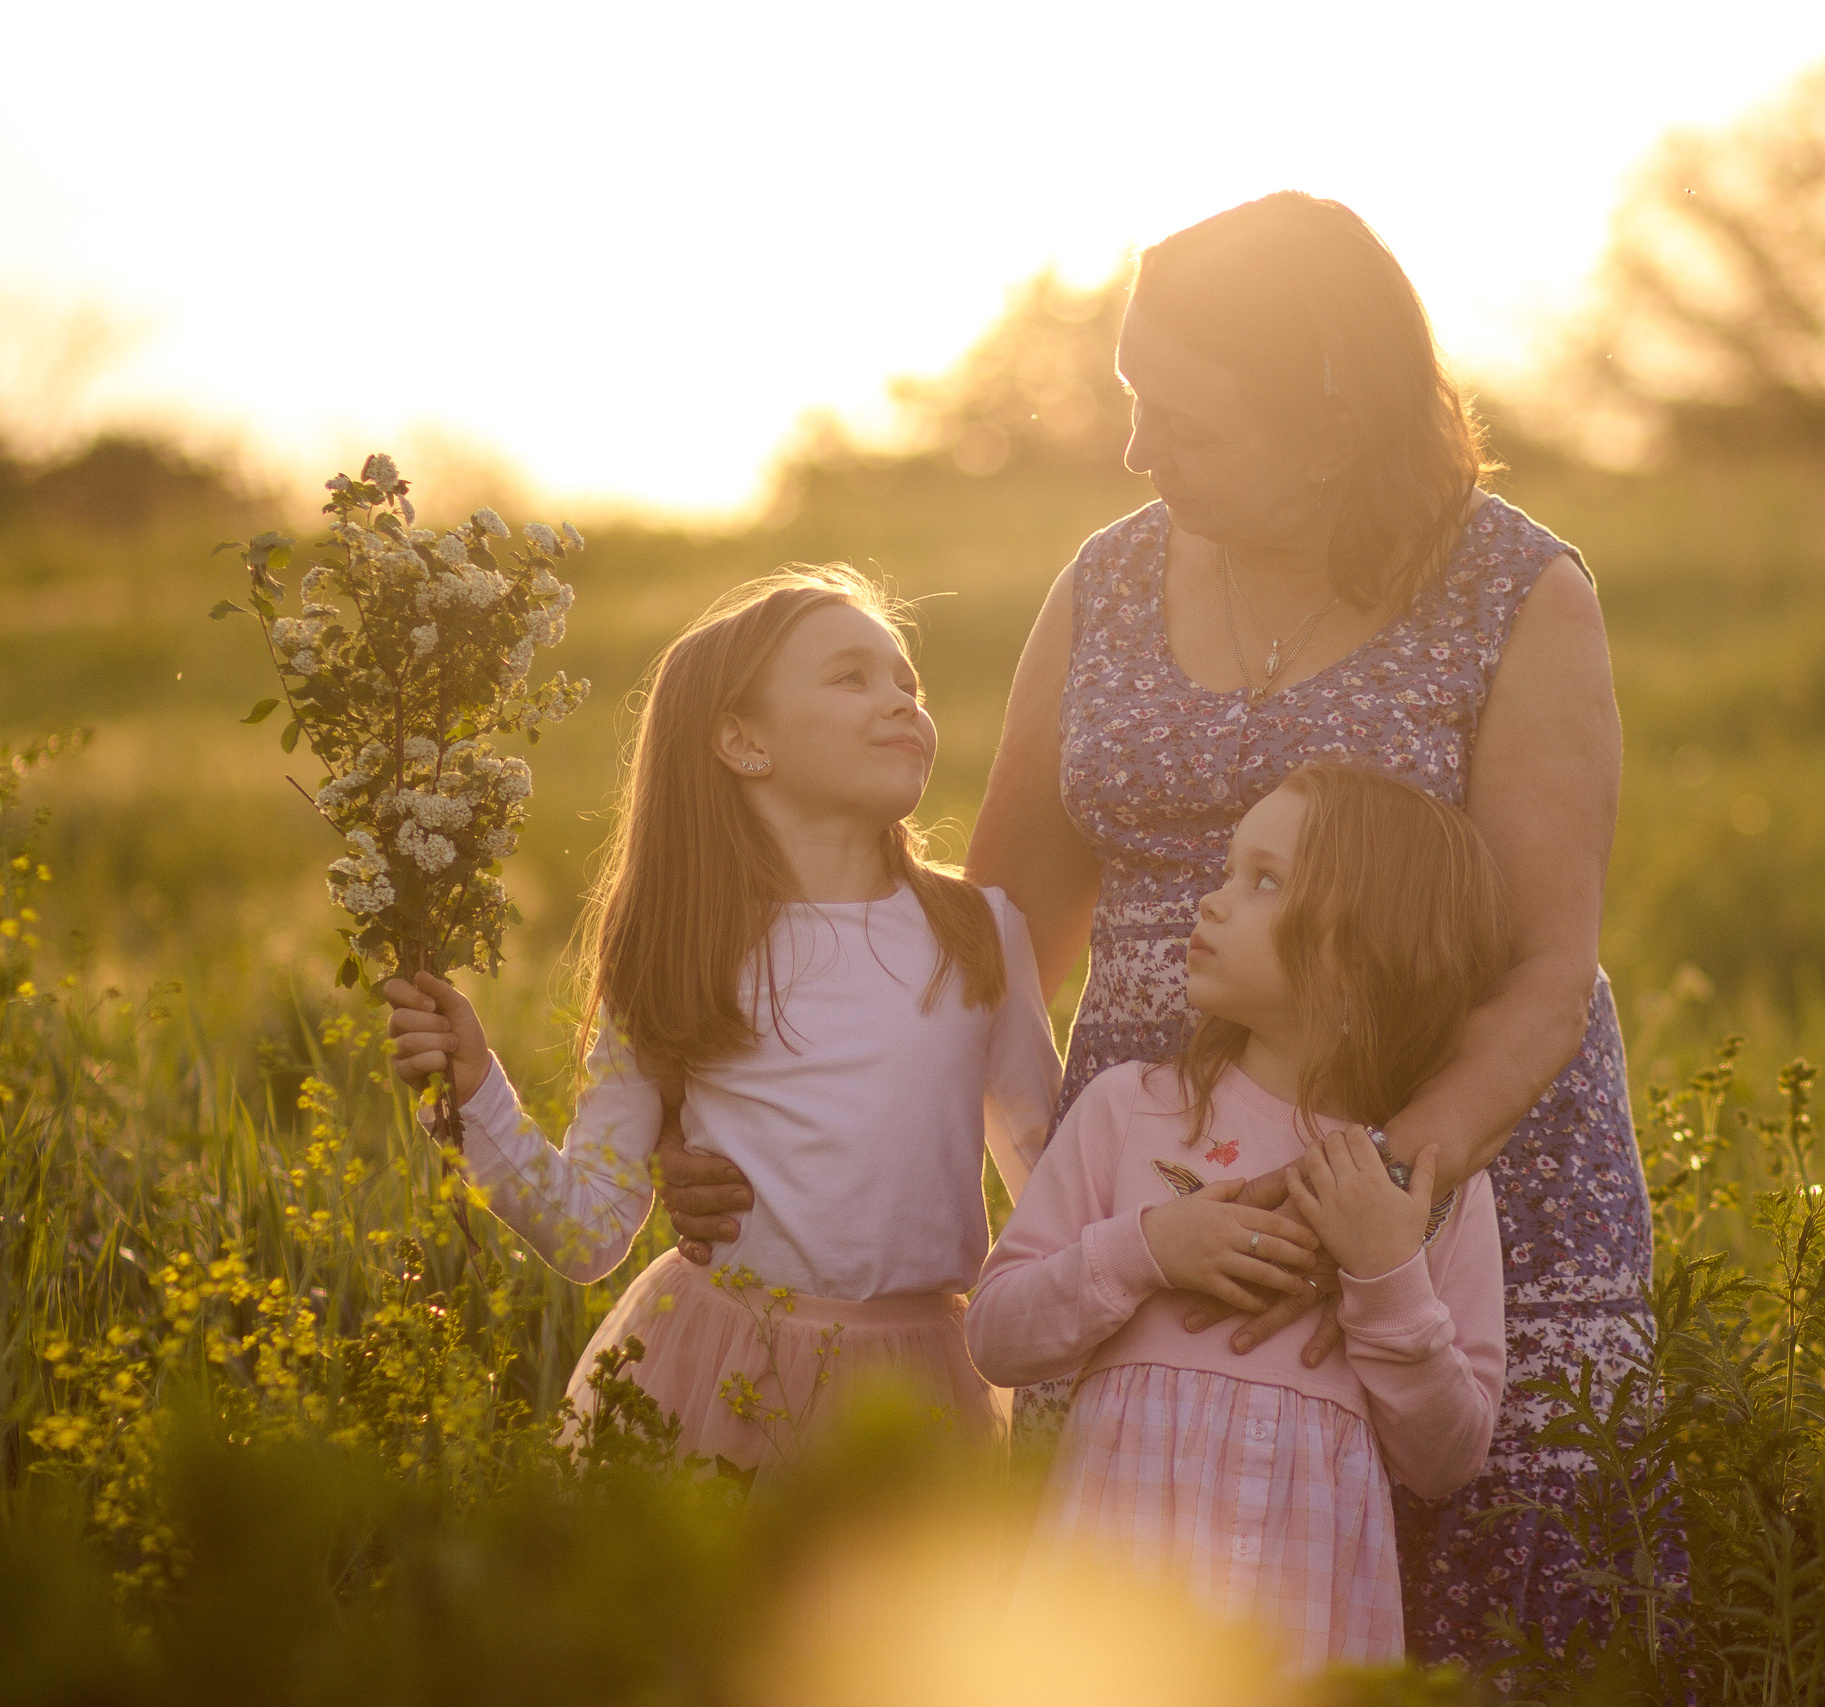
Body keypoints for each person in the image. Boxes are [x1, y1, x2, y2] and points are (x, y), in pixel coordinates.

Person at [657, 192, 1670, 1665]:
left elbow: (1541, 963)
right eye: (1131, 400)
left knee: (1489, 1617)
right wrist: (765, 1130)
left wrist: (1381, 1197)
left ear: (1329, 411)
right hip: (1155, 1174)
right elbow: (983, 944)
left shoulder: (1517, 590)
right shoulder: (1113, 577)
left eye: (1183, 415)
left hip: (1441, 1167)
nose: (1137, 451)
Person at [382, 564, 1061, 1475]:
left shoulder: (979, 932)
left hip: (920, 1387)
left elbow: (1052, 1184)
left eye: (908, 682)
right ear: (742, 741)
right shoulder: (679, 946)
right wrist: (474, 1093)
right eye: (851, 677)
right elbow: (587, 1229)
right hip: (717, 1372)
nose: (902, 701)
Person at [965, 766, 1508, 1672]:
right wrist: (1143, 1250)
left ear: (1363, 953)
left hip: (1303, 1626)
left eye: (1263, 881)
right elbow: (996, 1335)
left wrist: (1385, 1276)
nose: (1210, 902)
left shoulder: (1425, 1188)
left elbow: (1446, 1455)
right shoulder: (1129, 1113)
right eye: (1228, 871)